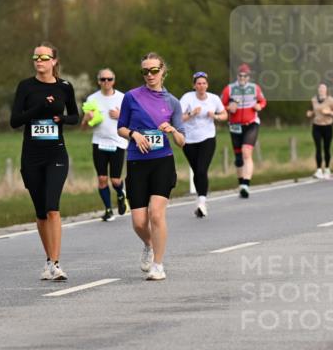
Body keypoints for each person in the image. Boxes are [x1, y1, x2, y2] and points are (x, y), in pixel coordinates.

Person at [9, 43, 80, 281]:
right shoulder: (26, 86)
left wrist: (61, 118)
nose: (39, 60)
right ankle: (49, 260)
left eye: (44, 57)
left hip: (56, 154)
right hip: (31, 155)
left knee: (52, 206)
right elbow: (15, 121)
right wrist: (39, 107)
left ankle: (57, 263)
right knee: (40, 212)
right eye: (35, 57)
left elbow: (75, 117)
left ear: (54, 61)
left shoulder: (65, 87)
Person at [118, 52, 186, 281]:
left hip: (162, 162)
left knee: (156, 214)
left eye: (154, 70)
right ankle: (149, 243)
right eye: (145, 71)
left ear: (163, 71)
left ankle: (158, 264)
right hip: (137, 162)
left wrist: (173, 131)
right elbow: (121, 128)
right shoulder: (131, 97)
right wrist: (134, 134)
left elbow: (182, 141)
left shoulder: (172, 102)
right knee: (139, 222)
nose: (149, 75)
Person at [81, 68, 127, 222]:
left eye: (109, 79)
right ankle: (108, 209)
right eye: (103, 79)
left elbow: (133, 121)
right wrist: (87, 119)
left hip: (118, 142)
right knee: (101, 178)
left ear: (114, 80)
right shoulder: (91, 99)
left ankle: (121, 194)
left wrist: (120, 116)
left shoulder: (123, 98)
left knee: (115, 180)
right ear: (98, 81)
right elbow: (84, 128)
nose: (106, 82)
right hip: (99, 142)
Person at [180, 71, 227, 218]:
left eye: (204, 83)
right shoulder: (187, 98)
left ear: (207, 85)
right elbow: (179, 118)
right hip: (189, 140)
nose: (201, 86)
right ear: (194, 85)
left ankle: (202, 202)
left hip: (208, 138)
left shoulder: (213, 98)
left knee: (201, 169)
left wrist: (216, 116)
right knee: (196, 170)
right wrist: (192, 114)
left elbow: (225, 115)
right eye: (198, 83)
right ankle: (200, 200)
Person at [221, 63, 266, 198]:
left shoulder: (255, 88)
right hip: (235, 125)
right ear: (237, 76)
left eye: (245, 76)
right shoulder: (229, 89)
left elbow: (263, 101)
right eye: (240, 75)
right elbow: (220, 105)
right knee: (239, 158)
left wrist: (259, 106)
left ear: (248, 76)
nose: (242, 78)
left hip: (251, 124)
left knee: (247, 152)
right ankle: (241, 184)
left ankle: (246, 183)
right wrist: (229, 108)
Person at [307, 83, 333, 179]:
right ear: (318, 90)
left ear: (326, 90)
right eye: (320, 88)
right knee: (318, 148)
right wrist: (310, 113)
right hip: (316, 126)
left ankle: (327, 169)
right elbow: (313, 111)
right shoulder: (313, 100)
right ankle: (319, 170)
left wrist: (329, 112)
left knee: (326, 148)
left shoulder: (331, 100)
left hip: (327, 126)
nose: (321, 90)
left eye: (323, 88)